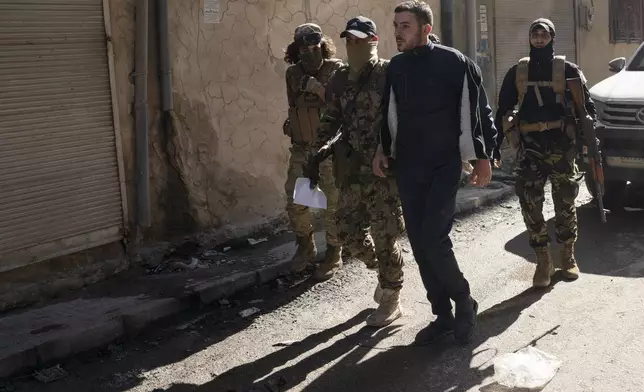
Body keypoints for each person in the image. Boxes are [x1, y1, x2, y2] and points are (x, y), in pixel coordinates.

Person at [373, 0, 497, 345]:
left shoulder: (454, 62)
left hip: (444, 164)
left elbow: (479, 111)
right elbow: (388, 112)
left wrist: (483, 156)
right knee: (418, 241)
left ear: (426, 29)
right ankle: (442, 314)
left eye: (405, 26)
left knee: (434, 239)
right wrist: (383, 149)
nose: (398, 32)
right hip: (409, 165)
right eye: (396, 25)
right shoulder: (396, 66)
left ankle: (464, 301)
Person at [306, 16, 406, 327]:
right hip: (350, 168)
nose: (353, 45)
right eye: (349, 40)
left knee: (384, 234)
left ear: (373, 40)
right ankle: (385, 271)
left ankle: (392, 295)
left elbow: (405, 118)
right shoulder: (339, 78)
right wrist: (316, 150)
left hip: (384, 171)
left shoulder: (391, 73)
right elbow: (332, 116)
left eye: (359, 40)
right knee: (344, 231)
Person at [494, 18, 596, 287]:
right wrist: (494, 145)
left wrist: (587, 142)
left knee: (564, 202)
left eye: (544, 34)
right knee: (529, 203)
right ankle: (543, 260)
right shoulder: (518, 72)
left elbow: (588, 109)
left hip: (562, 147)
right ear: (530, 38)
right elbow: (502, 109)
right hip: (530, 148)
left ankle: (567, 255)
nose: (539, 38)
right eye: (535, 34)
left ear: (552, 37)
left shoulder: (568, 69)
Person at [282, 24, 345, 280]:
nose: (310, 50)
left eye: (315, 45)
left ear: (322, 45)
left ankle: (333, 252)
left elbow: (342, 105)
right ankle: (305, 247)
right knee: (296, 199)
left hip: (328, 148)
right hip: (302, 149)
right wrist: (293, 124)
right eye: (304, 47)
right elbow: (293, 105)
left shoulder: (337, 70)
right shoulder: (292, 74)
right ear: (297, 48)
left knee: (332, 202)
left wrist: (318, 89)